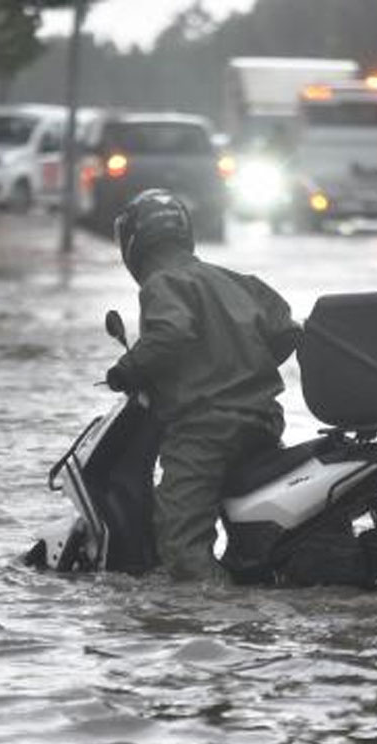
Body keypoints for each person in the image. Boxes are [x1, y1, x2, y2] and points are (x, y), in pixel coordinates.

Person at [105, 189, 301, 581]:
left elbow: (171, 333)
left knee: (180, 544)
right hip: (263, 423)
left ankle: (206, 619)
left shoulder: (162, 282)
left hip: (205, 431)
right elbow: (285, 330)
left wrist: (126, 370)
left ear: (132, 243)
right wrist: (241, 363)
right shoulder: (236, 280)